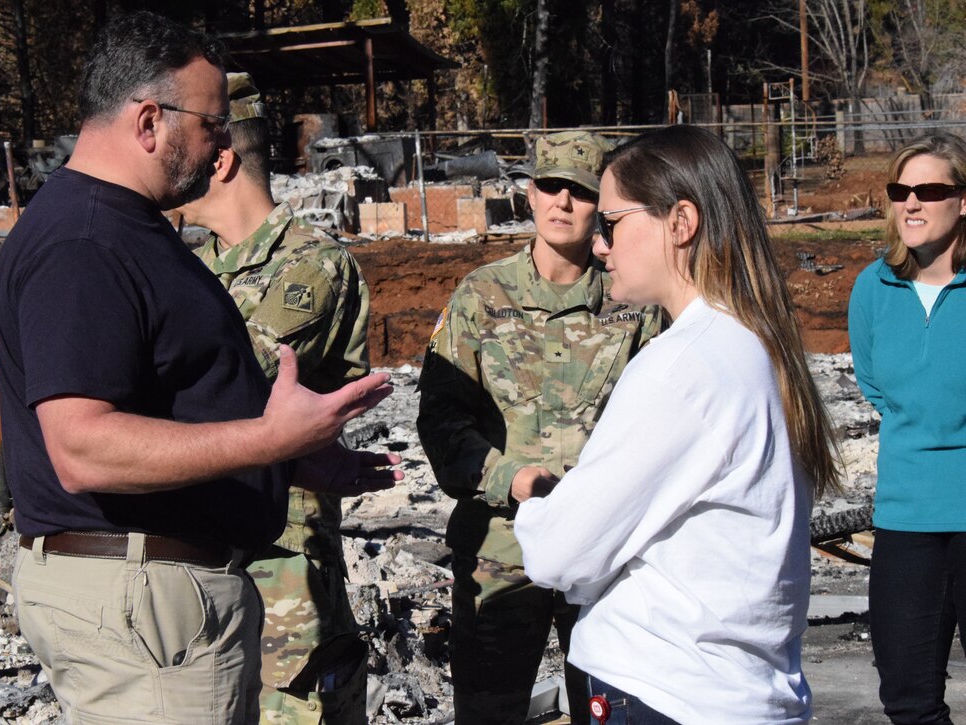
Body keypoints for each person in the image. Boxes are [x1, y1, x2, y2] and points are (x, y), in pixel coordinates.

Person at [0, 12, 400, 724]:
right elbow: (83, 446)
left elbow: (164, 406)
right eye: (212, 125)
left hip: (156, 603)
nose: (220, 149)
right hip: (147, 612)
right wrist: (271, 441)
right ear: (149, 121)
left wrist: (289, 465)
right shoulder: (86, 242)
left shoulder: (119, 227)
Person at [514, 124, 841, 724]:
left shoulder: (681, 366)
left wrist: (537, 502)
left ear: (680, 223)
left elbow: (561, 553)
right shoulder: (753, 346)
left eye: (611, 223)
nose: (600, 246)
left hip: (663, 691)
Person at [417, 130, 661, 724]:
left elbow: (661, 421)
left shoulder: (632, 302)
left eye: (578, 191)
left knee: (612, 712)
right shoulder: (482, 295)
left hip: (603, 556)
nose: (562, 203)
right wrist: (509, 477)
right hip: (503, 549)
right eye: (550, 186)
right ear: (530, 194)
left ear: (600, 203)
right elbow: (442, 417)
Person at [177, 72, 370, 724]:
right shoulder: (184, 268)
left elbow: (226, 386)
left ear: (221, 159)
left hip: (280, 576)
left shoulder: (311, 268)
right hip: (194, 574)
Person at [848, 132, 966, 725]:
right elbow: (875, 385)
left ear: (963, 200)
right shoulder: (873, 287)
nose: (912, 203)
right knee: (908, 700)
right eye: (901, 190)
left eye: (930, 189)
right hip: (904, 520)